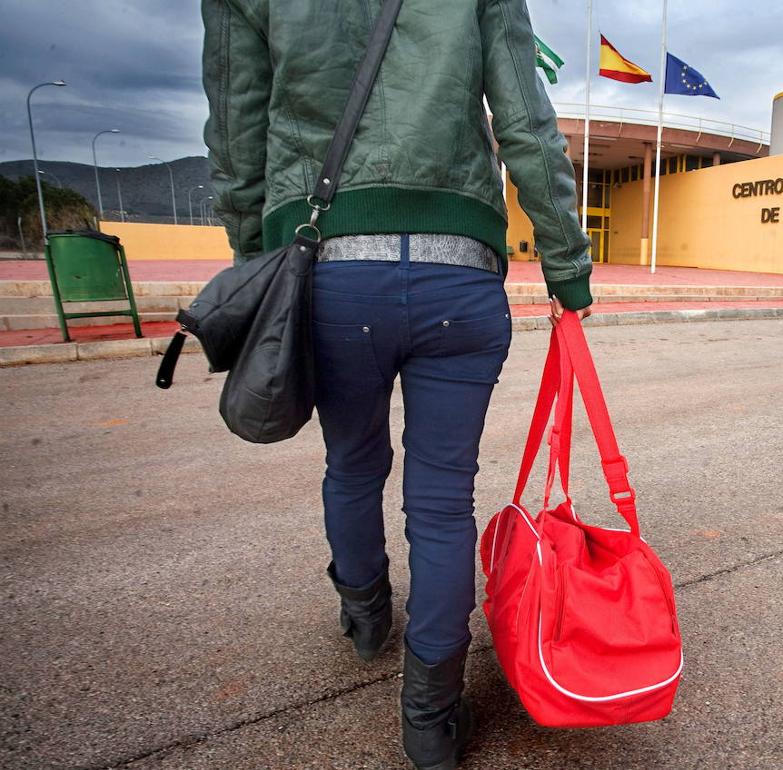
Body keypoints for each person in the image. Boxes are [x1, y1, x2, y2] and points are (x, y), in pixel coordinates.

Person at [201, 1, 592, 767]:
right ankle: (430, 714)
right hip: (460, 272)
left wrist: (257, 257)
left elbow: (236, 125)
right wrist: (567, 265)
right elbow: (526, 119)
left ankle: (365, 612)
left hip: (328, 270)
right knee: (443, 502)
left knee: (352, 463)